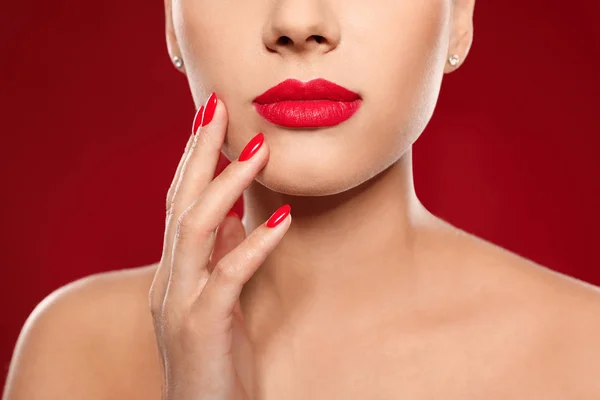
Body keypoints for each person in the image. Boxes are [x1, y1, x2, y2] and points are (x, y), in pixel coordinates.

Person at [4, 0, 600, 398]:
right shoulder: (71, 351)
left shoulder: (585, 355)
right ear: (171, 20)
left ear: (460, 17)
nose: (297, 20)